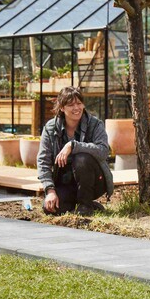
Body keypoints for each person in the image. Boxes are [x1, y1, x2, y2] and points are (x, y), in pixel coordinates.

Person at [37, 86, 114, 216]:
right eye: (71, 105)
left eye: (79, 103)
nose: (76, 108)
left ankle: (85, 206)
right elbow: (43, 161)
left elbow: (103, 151)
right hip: (67, 182)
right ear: (61, 107)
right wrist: (50, 191)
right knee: (50, 208)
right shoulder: (50, 128)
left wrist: (73, 146)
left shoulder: (95, 124)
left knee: (82, 158)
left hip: (95, 182)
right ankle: (91, 206)